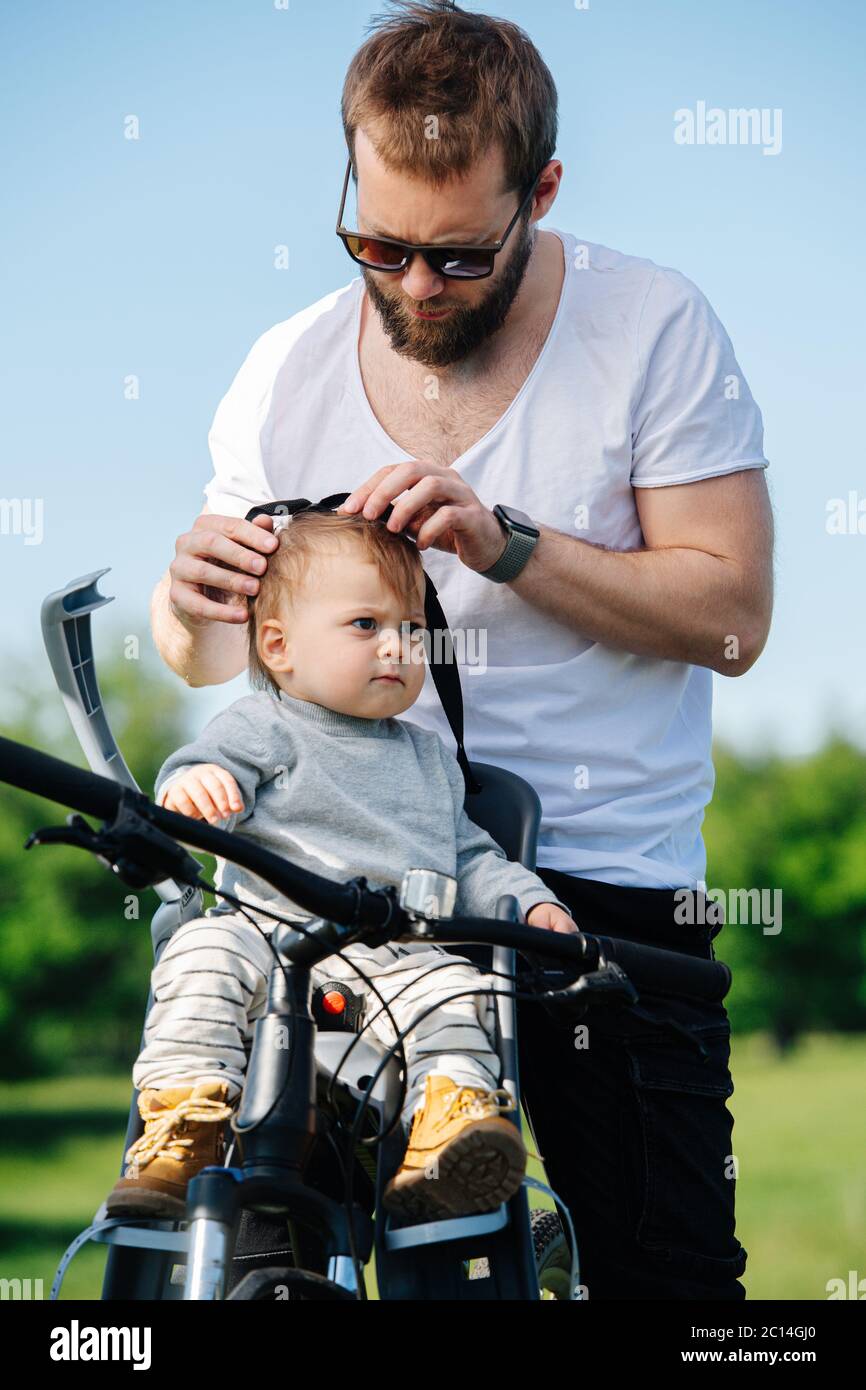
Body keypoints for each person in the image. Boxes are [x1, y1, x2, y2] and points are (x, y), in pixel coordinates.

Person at [151, 2, 774, 1298]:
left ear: (539, 191)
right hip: (337, 878)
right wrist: (191, 600)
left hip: (601, 896)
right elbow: (210, 656)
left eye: (457, 256)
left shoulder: (652, 325)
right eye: (376, 246)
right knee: (265, 1262)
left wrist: (510, 548)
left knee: (671, 1282)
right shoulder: (281, 372)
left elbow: (733, 618)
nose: (414, 288)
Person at [107, 507, 576, 1225]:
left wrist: (530, 903)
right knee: (203, 946)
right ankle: (185, 1126)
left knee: (458, 989)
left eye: (411, 630)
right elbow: (201, 769)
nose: (396, 647)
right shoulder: (264, 723)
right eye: (366, 626)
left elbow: (471, 853)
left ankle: (448, 1136)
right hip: (273, 948)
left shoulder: (426, 759)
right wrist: (192, 787)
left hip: (395, 958)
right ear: (279, 645)